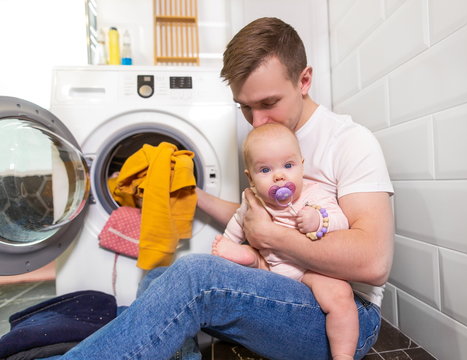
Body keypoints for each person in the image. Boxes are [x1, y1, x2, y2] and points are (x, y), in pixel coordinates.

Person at [60, 16, 394, 360]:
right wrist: (193, 195)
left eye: (268, 103)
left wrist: (272, 238)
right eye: (245, 107)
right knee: (161, 275)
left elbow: (374, 262)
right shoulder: (267, 140)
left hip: (340, 315)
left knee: (196, 276)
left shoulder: (350, 142)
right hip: (282, 287)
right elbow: (253, 219)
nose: (257, 120)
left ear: (304, 80)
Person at [212, 123, 357, 359]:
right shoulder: (253, 200)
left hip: (310, 270)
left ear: (301, 166)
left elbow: (342, 221)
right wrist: (226, 244)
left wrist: (318, 220)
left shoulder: (314, 194)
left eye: (288, 166)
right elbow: (238, 223)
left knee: (340, 294)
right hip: (271, 268)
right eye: (265, 170)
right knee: (250, 254)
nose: (279, 176)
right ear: (250, 178)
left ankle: (343, 355)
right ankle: (251, 260)